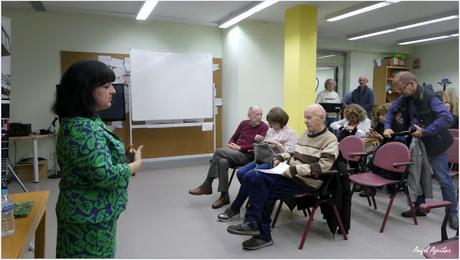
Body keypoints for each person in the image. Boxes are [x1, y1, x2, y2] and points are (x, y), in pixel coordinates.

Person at [52, 60, 144, 258]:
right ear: (85, 91)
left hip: (91, 214)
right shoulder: (84, 128)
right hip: (88, 218)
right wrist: (134, 166)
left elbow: (90, 162)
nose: (113, 91)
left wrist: (121, 157)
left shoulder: (85, 121)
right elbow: (103, 175)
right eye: (106, 86)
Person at [226, 104, 338, 250]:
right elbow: (292, 152)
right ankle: (255, 226)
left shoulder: (330, 139)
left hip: (306, 181)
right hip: (291, 174)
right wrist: (280, 157)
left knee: (263, 188)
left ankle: (258, 229)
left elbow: (324, 165)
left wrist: (295, 169)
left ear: (321, 118)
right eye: (305, 117)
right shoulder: (306, 134)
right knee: (256, 177)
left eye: (308, 117)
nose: (305, 120)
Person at [383, 71, 458, 230]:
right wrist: (388, 127)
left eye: (401, 89)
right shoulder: (405, 97)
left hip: (436, 143)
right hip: (417, 142)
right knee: (417, 174)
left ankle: (452, 214)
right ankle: (418, 206)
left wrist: (426, 132)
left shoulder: (430, 97)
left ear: (411, 84)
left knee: (443, 179)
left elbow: (447, 118)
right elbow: (391, 111)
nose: (400, 93)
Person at [217, 106, 297, 221]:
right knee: (241, 173)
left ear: (281, 122)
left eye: (273, 124)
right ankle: (256, 197)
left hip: (276, 163)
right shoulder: (271, 130)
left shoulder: (290, 133)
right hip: (265, 157)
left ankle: (235, 208)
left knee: (250, 176)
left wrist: (278, 144)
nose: (271, 126)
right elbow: (266, 146)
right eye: (270, 123)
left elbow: (289, 154)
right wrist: (261, 141)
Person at [189, 105, 269, 209]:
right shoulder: (243, 123)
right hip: (235, 152)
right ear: (249, 115)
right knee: (222, 161)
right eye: (256, 114)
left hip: (248, 156)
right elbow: (233, 137)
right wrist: (231, 145)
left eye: (261, 114)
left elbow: (257, 146)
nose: (259, 117)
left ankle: (207, 185)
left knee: (218, 152)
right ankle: (224, 196)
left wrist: (240, 147)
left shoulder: (264, 127)